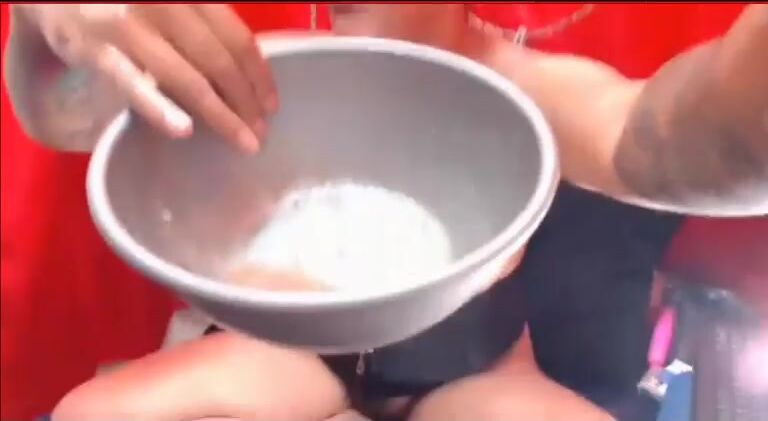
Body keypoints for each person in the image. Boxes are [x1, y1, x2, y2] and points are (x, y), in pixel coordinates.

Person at [1, 3, 764, 421]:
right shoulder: (255, 58)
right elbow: (74, 110)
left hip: (496, 356)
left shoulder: (543, 78)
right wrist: (50, 35)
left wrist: (738, 102)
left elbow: (646, 138)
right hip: (283, 344)